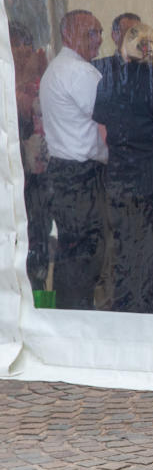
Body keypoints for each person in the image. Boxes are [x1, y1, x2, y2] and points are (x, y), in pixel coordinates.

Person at [92, 22, 153, 314]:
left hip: (120, 179)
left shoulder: (107, 84)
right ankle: (149, 311)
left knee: (124, 247)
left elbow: (104, 135)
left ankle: (124, 308)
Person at [38, 10, 108, 310]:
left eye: (100, 32)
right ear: (69, 34)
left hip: (65, 171)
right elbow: (109, 121)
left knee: (71, 253)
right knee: (82, 255)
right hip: (81, 175)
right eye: (91, 32)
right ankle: (78, 319)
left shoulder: (58, 68)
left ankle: (71, 317)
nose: (98, 40)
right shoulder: (78, 72)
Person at [10, 22, 52, 293]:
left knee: (38, 232)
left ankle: (36, 289)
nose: (23, 49)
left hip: (39, 171)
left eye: (27, 43)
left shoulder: (41, 78)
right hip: (13, 172)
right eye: (16, 43)